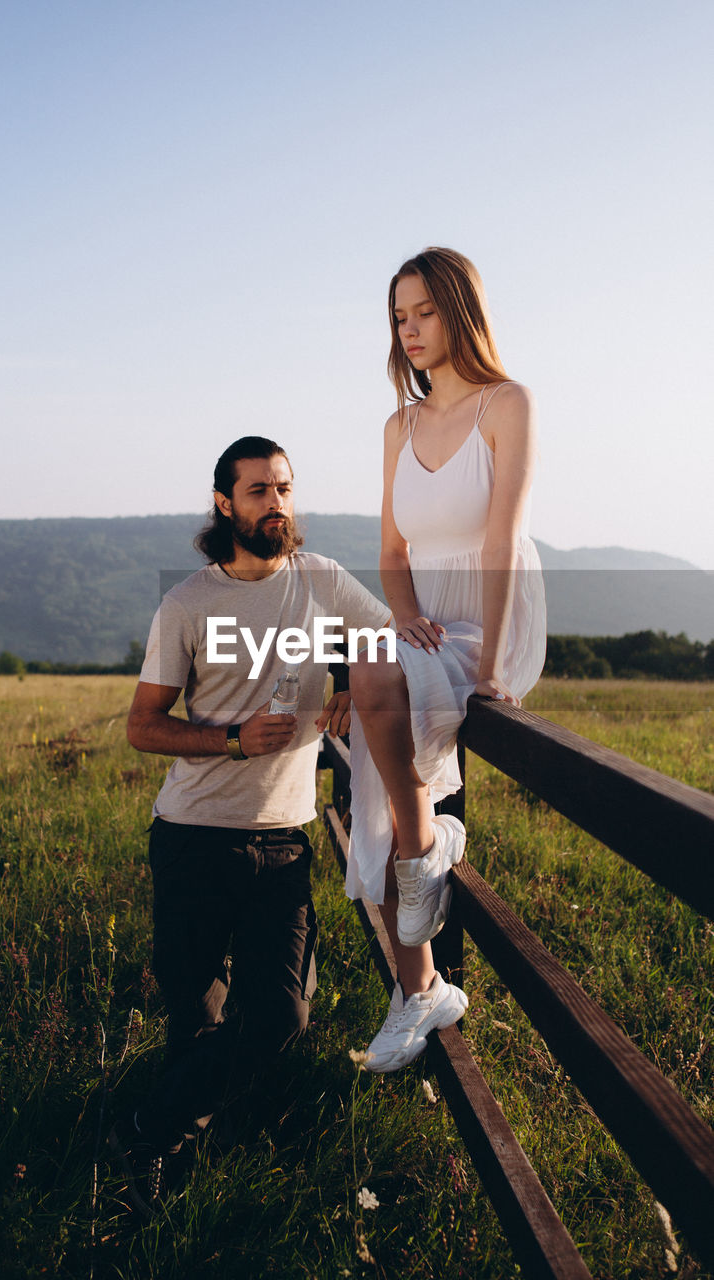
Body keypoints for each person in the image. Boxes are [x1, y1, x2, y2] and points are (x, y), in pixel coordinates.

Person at [109, 435, 391, 1213]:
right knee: (193, 1019)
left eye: (285, 489)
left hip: (281, 841)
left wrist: (347, 678)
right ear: (224, 504)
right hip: (194, 837)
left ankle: (141, 1126)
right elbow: (141, 725)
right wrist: (231, 741)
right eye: (260, 491)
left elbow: (385, 636)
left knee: (277, 1016)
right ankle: (160, 1169)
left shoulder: (322, 580)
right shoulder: (189, 603)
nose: (277, 505)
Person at [347, 247, 546, 1072]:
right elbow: (391, 549)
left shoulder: (506, 403)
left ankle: (421, 871)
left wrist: (494, 663)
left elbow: (499, 536)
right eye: (399, 316)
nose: (410, 329)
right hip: (421, 616)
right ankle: (421, 973)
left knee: (376, 695)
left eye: (423, 310)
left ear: (459, 309)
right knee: (370, 675)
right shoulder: (398, 423)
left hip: (488, 612)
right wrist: (401, 615)